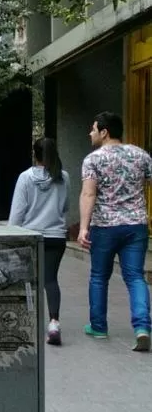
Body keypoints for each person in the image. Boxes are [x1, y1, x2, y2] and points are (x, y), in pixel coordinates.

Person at [78, 111, 152, 351]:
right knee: (135, 277)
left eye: (93, 129)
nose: (90, 133)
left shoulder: (93, 160)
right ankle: (142, 327)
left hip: (105, 227)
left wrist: (83, 227)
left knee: (99, 277)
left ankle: (99, 326)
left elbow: (89, 193)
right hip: (136, 225)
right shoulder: (141, 155)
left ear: (104, 131)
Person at [8, 137, 69, 345]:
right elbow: (65, 206)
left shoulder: (25, 177)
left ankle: (27, 322)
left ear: (35, 154)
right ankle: (54, 323)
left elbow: (17, 212)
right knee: (50, 280)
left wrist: (9, 236)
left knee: (26, 281)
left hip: (29, 235)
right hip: (56, 236)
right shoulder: (63, 177)